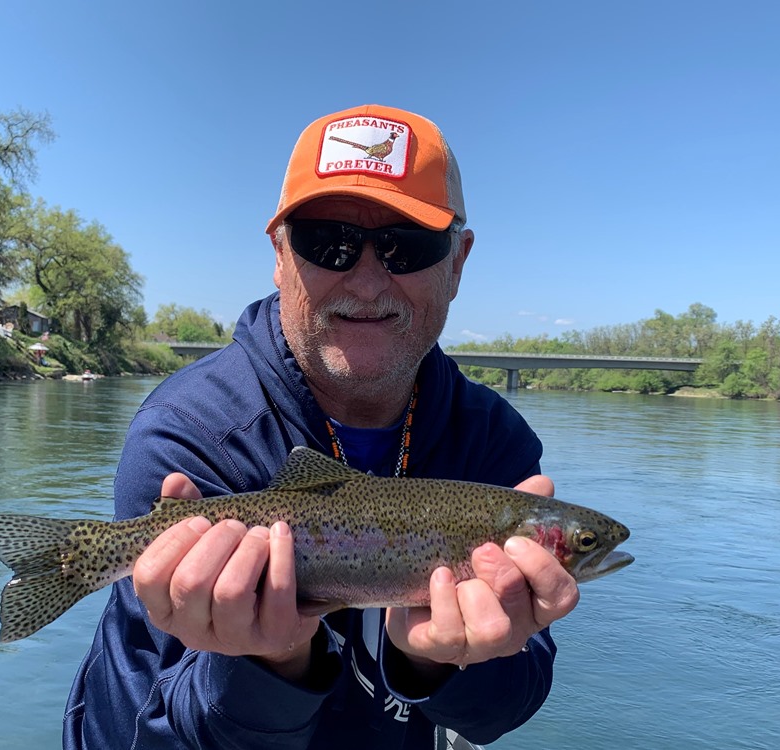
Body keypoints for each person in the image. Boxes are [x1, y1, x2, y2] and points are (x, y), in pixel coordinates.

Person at [63, 104, 581, 750]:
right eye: (325, 241)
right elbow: (153, 730)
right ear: (279, 253)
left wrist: (439, 662)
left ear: (457, 261)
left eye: (405, 244)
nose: (365, 281)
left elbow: (506, 706)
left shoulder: (495, 445)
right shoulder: (185, 436)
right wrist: (266, 664)